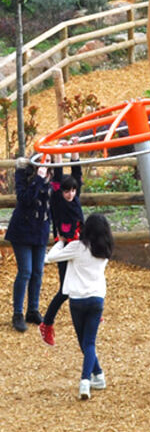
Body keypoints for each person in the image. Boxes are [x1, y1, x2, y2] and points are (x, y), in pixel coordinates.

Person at [45, 213, 114, 400]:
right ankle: (98, 375)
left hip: (77, 299)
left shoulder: (77, 247)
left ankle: (85, 381)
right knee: (89, 342)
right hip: (97, 298)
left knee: (85, 342)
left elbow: (50, 257)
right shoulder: (105, 250)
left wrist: (61, 241)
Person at [7, 156, 52, 333]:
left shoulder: (53, 175)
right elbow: (25, 199)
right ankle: (17, 313)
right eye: (44, 159)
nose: (46, 163)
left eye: (49, 160)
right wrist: (39, 178)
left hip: (40, 229)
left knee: (38, 271)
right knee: (25, 271)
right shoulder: (23, 173)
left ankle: (32, 310)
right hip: (22, 230)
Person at [41, 164, 83, 346]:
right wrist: (58, 154)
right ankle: (47, 323)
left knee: (82, 282)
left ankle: (91, 315)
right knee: (65, 290)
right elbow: (57, 178)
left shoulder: (75, 201)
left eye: (73, 190)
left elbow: (77, 173)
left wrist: (74, 151)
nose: (70, 194)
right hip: (65, 248)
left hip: (78, 247)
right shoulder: (58, 202)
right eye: (67, 191)